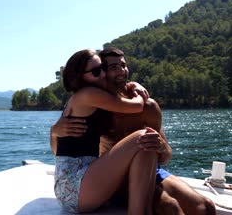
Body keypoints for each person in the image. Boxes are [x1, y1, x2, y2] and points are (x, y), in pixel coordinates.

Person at [98, 47, 216, 215]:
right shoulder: (98, 108)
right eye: (114, 67)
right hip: (117, 181)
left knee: (206, 207)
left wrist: (161, 147)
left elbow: (166, 155)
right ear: (102, 73)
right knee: (170, 207)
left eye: (123, 65)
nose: (122, 71)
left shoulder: (148, 107)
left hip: (152, 172)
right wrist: (57, 130)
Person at [50, 49, 158, 214]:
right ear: (80, 76)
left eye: (103, 69)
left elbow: (57, 151)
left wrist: (131, 84)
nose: (102, 74)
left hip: (74, 187)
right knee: (143, 137)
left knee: (146, 146)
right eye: (95, 71)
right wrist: (136, 89)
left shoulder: (85, 98)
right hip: (74, 187)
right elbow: (138, 106)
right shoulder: (88, 94)